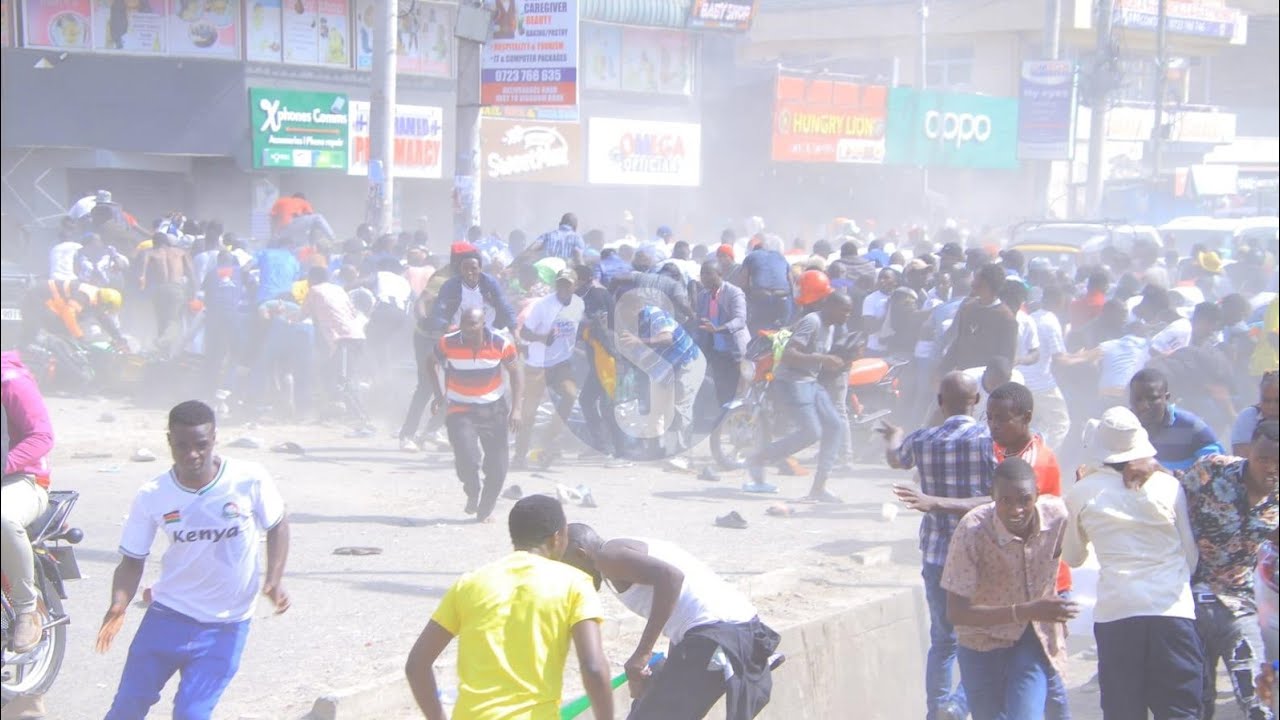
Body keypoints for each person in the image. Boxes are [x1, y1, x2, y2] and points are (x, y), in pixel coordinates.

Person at [98, 400, 290, 720]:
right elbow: (132, 560)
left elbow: (278, 524)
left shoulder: (249, 479)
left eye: (201, 445)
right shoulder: (153, 494)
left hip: (225, 627)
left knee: (191, 714)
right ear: (169, 441)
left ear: (214, 438)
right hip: (166, 618)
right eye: (181, 446)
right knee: (126, 710)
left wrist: (273, 579)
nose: (192, 455)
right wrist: (118, 604)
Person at [403, 495, 614, 720]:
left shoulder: (470, 583)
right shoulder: (575, 583)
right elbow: (593, 667)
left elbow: (416, 665)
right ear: (557, 537)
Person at [1063, 406, 1203, 720]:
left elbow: (1073, 556)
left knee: (1124, 712)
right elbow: (1191, 557)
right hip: (1172, 612)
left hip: (1118, 615)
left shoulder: (1081, 492)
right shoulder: (1169, 486)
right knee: (1180, 711)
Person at [563, 524, 781, 719]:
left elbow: (671, 578)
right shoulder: (621, 549)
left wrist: (642, 653)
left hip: (719, 636)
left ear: (580, 554)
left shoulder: (608, 558)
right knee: (647, 706)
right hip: (735, 630)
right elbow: (685, 607)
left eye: (564, 568)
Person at [880, 371, 997, 720]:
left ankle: (937, 712)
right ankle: (958, 706)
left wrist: (894, 436)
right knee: (985, 638)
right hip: (981, 555)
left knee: (943, 642)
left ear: (940, 403)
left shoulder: (923, 439)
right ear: (977, 400)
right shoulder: (991, 441)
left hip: (936, 555)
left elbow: (895, 459)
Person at [942, 458, 1075, 720]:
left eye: (1024, 499)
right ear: (992, 497)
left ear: (1037, 494)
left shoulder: (1057, 517)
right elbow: (957, 613)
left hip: (1031, 638)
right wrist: (1027, 610)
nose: (1016, 510)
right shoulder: (972, 530)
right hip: (981, 643)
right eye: (1006, 501)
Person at [1180, 420, 1279, 720]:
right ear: (1249, 452)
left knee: (1257, 705)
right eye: (1264, 459)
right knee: (1194, 703)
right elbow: (1167, 493)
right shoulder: (1210, 470)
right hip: (1188, 603)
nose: (1271, 468)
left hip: (1241, 609)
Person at [744, 293, 853, 499]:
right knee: (811, 432)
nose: (847, 315)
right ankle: (759, 457)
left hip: (810, 381)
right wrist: (823, 359)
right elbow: (788, 354)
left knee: (835, 425)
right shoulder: (812, 322)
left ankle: (819, 488)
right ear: (829, 306)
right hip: (792, 382)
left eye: (849, 311)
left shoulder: (831, 327)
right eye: (844, 310)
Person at [426, 307, 524, 521]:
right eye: (465, 323)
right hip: (461, 409)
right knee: (467, 457)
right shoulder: (448, 342)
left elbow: (515, 374)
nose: (469, 328)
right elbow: (430, 362)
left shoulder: (500, 343)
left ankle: (485, 510)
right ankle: (472, 491)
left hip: (494, 409)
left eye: (473, 323)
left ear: (483, 324)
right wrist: (438, 395)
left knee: (498, 466)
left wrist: (516, 409)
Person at [1, 351, 54, 655]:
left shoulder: (11, 381)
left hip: (23, 479)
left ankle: (26, 609)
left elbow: (42, 437)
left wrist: (5, 464)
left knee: (2, 517)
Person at [514, 269, 582, 469]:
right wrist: (543, 339)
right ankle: (519, 455)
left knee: (570, 396)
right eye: (560, 283)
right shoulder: (543, 305)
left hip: (560, 364)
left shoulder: (578, 305)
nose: (563, 287)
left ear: (575, 286)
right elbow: (525, 332)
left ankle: (547, 441)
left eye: (567, 284)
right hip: (537, 364)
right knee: (529, 413)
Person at [1129, 367, 1224, 472]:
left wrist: (1165, 474)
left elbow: (1216, 470)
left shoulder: (1190, 426)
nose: (1144, 406)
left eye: (1152, 399)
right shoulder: (1122, 426)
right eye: (1138, 399)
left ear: (1167, 397)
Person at [941, 263, 1017, 374]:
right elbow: (958, 342)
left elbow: (1006, 358)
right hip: (964, 377)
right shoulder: (968, 308)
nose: (972, 284)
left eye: (978, 282)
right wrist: (942, 370)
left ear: (989, 285)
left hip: (986, 380)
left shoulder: (1006, 318)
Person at [427, 243, 518, 334]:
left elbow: (504, 306)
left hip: (489, 335)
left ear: (480, 268)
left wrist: (514, 329)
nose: (469, 272)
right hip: (459, 335)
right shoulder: (449, 285)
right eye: (465, 268)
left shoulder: (490, 283)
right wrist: (445, 326)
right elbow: (438, 310)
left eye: (473, 268)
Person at [696, 260, 749, 408]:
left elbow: (740, 320)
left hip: (735, 351)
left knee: (738, 392)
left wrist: (718, 329)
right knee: (722, 391)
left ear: (720, 274)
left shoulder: (734, 293)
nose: (704, 277)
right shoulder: (702, 296)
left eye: (708, 273)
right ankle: (722, 423)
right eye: (702, 274)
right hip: (717, 351)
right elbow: (700, 322)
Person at [1024, 284, 1071, 449]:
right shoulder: (1050, 321)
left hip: (1023, 382)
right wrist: (1087, 357)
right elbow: (1062, 359)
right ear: (1059, 301)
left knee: (1035, 424)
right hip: (1042, 384)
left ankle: (1029, 454)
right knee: (1061, 423)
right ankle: (1046, 458)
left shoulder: (1031, 317)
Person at [21, 277, 126, 347]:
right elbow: (69, 315)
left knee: (65, 334)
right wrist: (79, 337)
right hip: (38, 298)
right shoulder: (85, 296)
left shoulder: (97, 298)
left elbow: (104, 319)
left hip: (50, 302)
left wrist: (118, 338)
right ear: (103, 303)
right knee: (60, 332)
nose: (105, 312)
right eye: (106, 309)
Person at [739, 234, 793, 336]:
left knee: (758, 331)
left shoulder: (750, 256)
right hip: (783, 297)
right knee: (783, 332)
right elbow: (790, 279)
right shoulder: (780, 256)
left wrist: (747, 296)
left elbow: (743, 281)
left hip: (762, 297)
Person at [1233, 371, 1280, 456]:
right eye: (1266, 400)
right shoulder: (1249, 416)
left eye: (1278, 401)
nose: (1272, 406)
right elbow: (1241, 456)